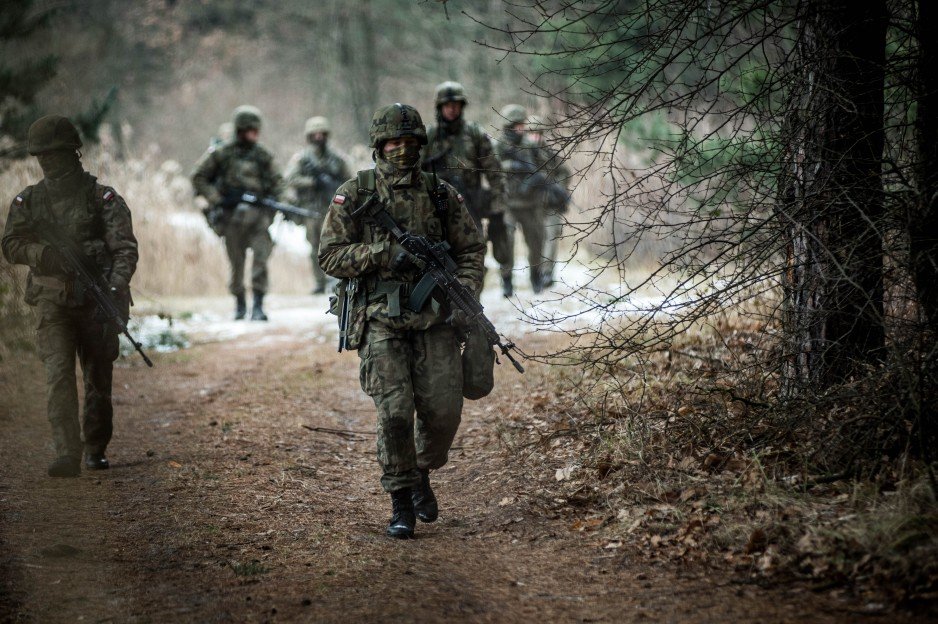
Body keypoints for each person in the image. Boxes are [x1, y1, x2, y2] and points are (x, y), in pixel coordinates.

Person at [319, 103, 485, 539]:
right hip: (380, 319)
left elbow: (470, 248)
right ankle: (400, 500)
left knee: (443, 413)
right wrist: (382, 254)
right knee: (394, 414)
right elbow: (330, 255)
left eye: (411, 142)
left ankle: (421, 471)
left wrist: (464, 292)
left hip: (436, 320)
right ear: (379, 145)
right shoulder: (356, 194)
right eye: (394, 142)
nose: (402, 150)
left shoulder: (440, 192)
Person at [2, 115, 139, 477]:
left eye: (55, 154)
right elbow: (11, 244)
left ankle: (95, 447)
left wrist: (114, 286)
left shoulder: (102, 198)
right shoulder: (29, 202)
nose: (48, 162)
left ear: (73, 153)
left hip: (97, 303)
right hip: (53, 303)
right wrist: (40, 255)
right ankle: (67, 452)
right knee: (58, 376)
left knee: (98, 379)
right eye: (42, 156)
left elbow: (124, 248)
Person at [191, 105, 284, 321]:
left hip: (258, 217)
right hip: (231, 217)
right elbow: (198, 177)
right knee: (236, 263)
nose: (256, 134)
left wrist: (278, 200)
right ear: (241, 130)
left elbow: (279, 182)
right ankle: (240, 304)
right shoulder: (222, 153)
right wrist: (217, 199)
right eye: (252, 130)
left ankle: (258, 305)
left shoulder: (263, 155)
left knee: (261, 258)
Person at [422, 81, 510, 294]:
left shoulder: (475, 134)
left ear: (462, 106)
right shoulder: (428, 137)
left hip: (469, 208)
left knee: (473, 257)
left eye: (456, 105)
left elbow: (495, 173)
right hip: (434, 209)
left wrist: (498, 209)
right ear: (440, 107)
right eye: (447, 105)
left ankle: (471, 307)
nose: (452, 109)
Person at [283, 116, 351, 294]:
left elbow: (351, 180)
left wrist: (336, 188)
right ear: (309, 136)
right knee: (315, 246)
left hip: (334, 208)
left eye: (322, 133)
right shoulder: (302, 159)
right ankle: (319, 282)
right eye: (315, 134)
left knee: (335, 245)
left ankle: (335, 280)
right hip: (310, 209)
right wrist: (313, 182)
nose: (319, 137)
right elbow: (290, 179)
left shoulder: (337, 158)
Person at [494, 104, 547, 294]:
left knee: (536, 242)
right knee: (506, 242)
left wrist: (532, 182)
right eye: (517, 125)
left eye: (522, 125)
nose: (521, 129)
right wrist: (511, 166)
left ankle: (536, 276)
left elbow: (545, 168)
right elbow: (490, 169)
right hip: (507, 204)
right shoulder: (498, 145)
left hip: (530, 204)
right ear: (508, 126)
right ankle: (506, 280)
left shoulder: (530, 145)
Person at [525, 115, 571, 287]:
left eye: (538, 134)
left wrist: (558, 189)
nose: (535, 137)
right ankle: (535, 272)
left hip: (551, 204)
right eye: (531, 134)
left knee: (551, 236)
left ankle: (547, 274)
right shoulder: (521, 154)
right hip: (531, 205)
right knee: (535, 240)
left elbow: (565, 172)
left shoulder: (549, 153)